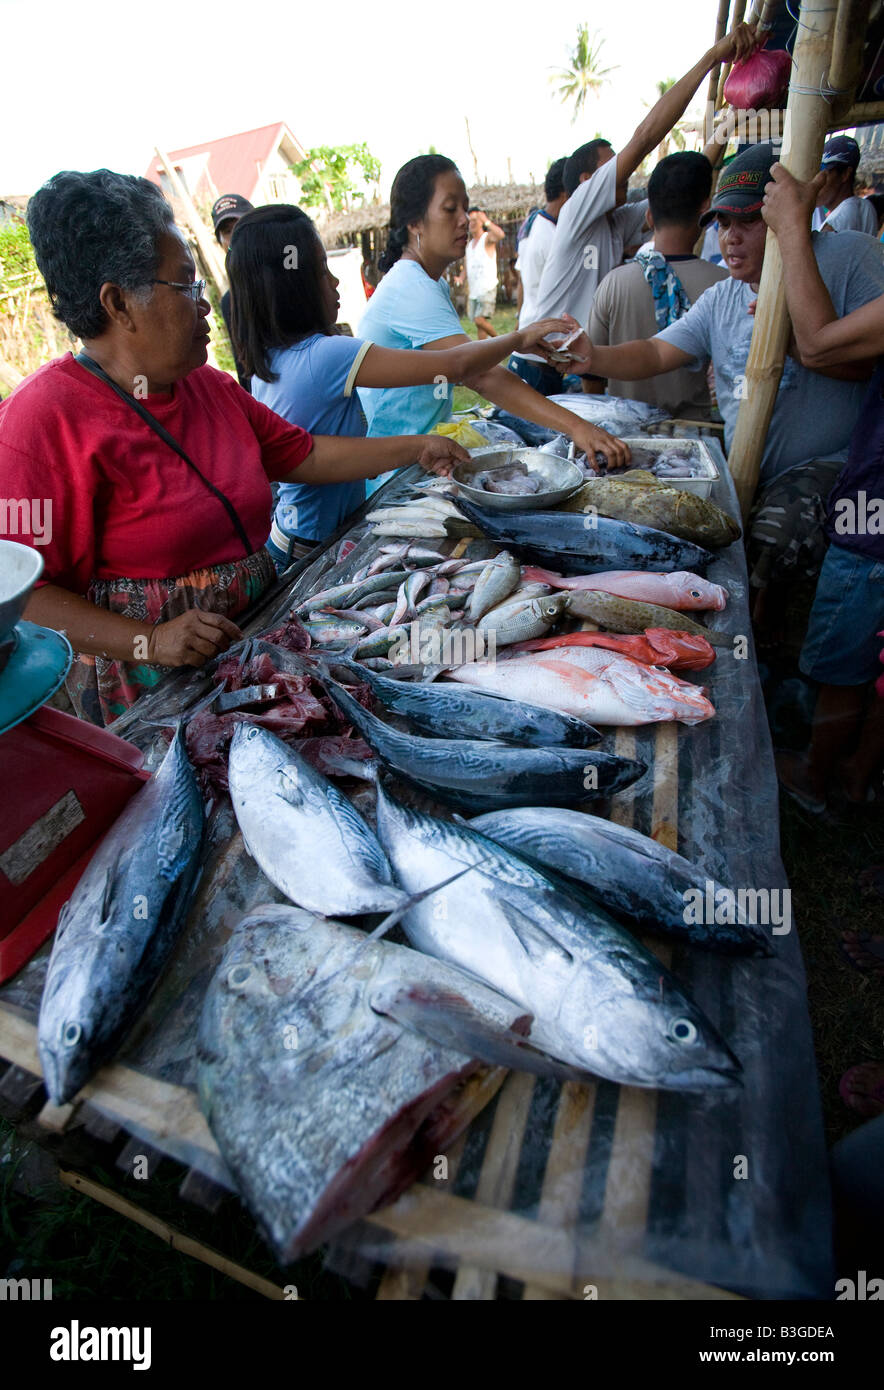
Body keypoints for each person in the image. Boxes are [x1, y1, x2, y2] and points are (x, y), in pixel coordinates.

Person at [0, 169, 467, 725]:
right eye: (186, 286)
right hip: (159, 691)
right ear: (118, 303)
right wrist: (151, 640)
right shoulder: (40, 422)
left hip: (259, 645)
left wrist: (415, 447)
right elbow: (26, 593)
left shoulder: (209, 385)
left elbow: (304, 455)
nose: (206, 305)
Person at [559, 141, 884, 610]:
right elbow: (654, 352)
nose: (731, 237)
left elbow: (869, 366)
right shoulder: (723, 297)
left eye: (749, 222)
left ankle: (769, 650)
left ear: (784, 216)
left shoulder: (850, 257)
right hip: (749, 472)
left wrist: (795, 343)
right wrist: (593, 357)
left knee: (770, 539)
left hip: (838, 468)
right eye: (724, 222)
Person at [225, 203, 574, 567]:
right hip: (310, 549)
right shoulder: (326, 356)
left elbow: (326, 452)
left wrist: (419, 446)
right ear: (293, 285)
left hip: (292, 538)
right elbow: (454, 365)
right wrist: (519, 337)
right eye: (321, 270)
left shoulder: (273, 357)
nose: (335, 281)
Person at [357, 153, 633, 477]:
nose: (464, 218)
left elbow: (467, 357)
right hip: (395, 478)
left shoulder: (428, 282)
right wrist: (578, 428)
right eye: (450, 209)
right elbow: (478, 374)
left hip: (423, 462)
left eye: (465, 207)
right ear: (414, 222)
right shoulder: (410, 286)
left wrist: (515, 343)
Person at [759, 161, 884, 813]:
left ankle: (815, 775)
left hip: (876, 512)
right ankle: (858, 773)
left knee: (844, 654)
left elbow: (819, 346)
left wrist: (791, 232)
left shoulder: (855, 254)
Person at [529, 22, 759, 360]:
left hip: (571, 362)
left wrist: (730, 121)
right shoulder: (578, 211)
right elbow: (645, 138)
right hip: (544, 365)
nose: (622, 174)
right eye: (611, 169)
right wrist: (710, 59)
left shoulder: (614, 222)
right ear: (585, 183)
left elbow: (684, 186)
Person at [589, 151, 728, 418]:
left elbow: (591, 372)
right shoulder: (724, 286)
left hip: (625, 438)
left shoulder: (613, 283)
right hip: (695, 435)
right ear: (706, 209)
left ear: (649, 217)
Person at [509, 157, 570, 395]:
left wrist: (519, 315)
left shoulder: (532, 224)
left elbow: (523, 278)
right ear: (568, 193)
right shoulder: (556, 236)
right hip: (541, 356)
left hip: (530, 348)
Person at [211, 193, 253, 389]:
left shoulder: (285, 274)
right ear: (220, 242)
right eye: (227, 231)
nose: (234, 236)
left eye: (239, 226)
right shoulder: (230, 301)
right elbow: (243, 365)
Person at [811, 136, 879, 236]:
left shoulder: (834, 225)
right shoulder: (866, 207)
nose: (818, 181)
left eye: (824, 174)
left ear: (845, 174)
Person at [460, 206, 504, 337]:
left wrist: (487, 221)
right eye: (470, 221)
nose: (472, 223)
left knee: (480, 319)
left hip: (487, 288)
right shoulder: (469, 245)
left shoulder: (487, 239)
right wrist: (461, 278)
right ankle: (485, 352)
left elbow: (500, 235)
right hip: (474, 291)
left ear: (481, 221)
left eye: (475, 220)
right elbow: (466, 266)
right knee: (478, 323)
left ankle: (500, 343)